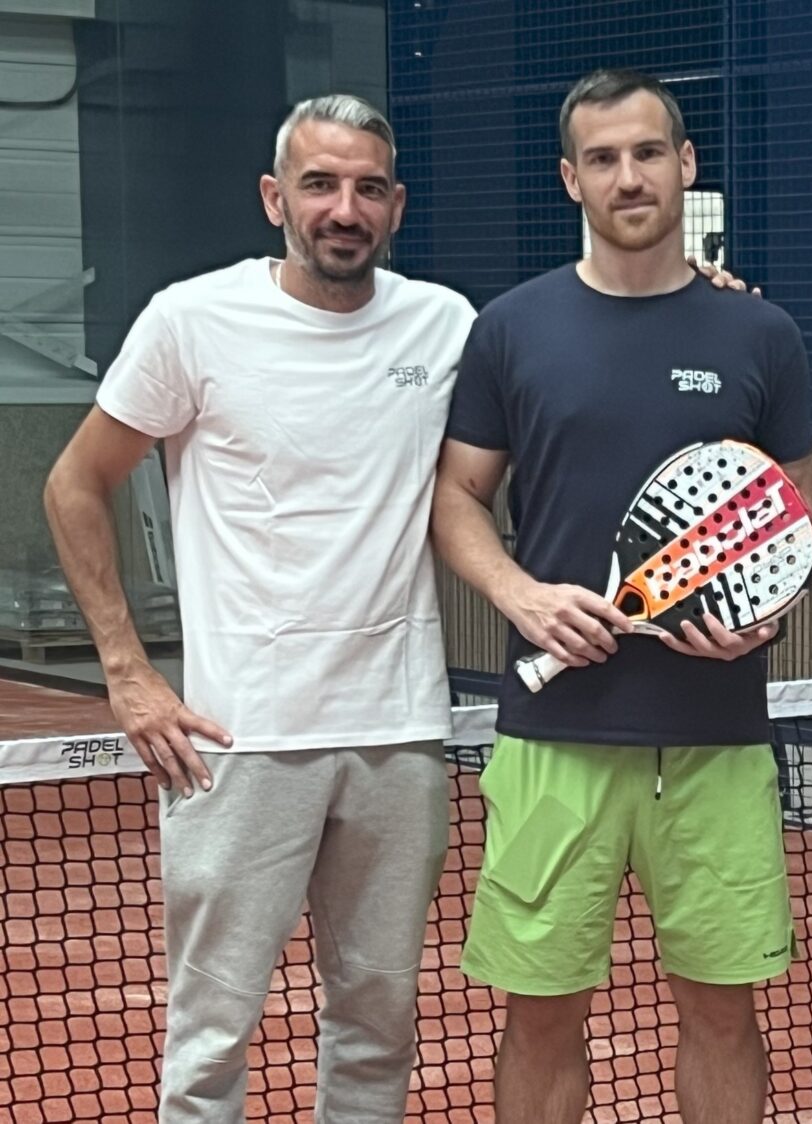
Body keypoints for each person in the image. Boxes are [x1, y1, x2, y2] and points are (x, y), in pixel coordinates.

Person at [41, 95, 473, 1123]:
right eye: (320, 184)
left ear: (397, 205)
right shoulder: (192, 321)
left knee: (378, 1023)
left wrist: (693, 295)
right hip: (236, 740)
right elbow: (73, 482)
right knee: (210, 1035)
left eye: (368, 186)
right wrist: (127, 668)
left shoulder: (446, 325)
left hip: (399, 732)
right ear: (274, 196)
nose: (344, 207)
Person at [428, 69, 812, 1124]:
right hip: (554, 739)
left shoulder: (761, 335)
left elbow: (781, 519)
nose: (628, 174)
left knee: (724, 1012)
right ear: (570, 178)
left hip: (715, 741)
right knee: (541, 1016)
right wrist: (522, 597)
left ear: (685, 165)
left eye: (648, 152)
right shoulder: (510, 328)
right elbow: (456, 498)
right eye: (602, 158)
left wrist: (759, 622)